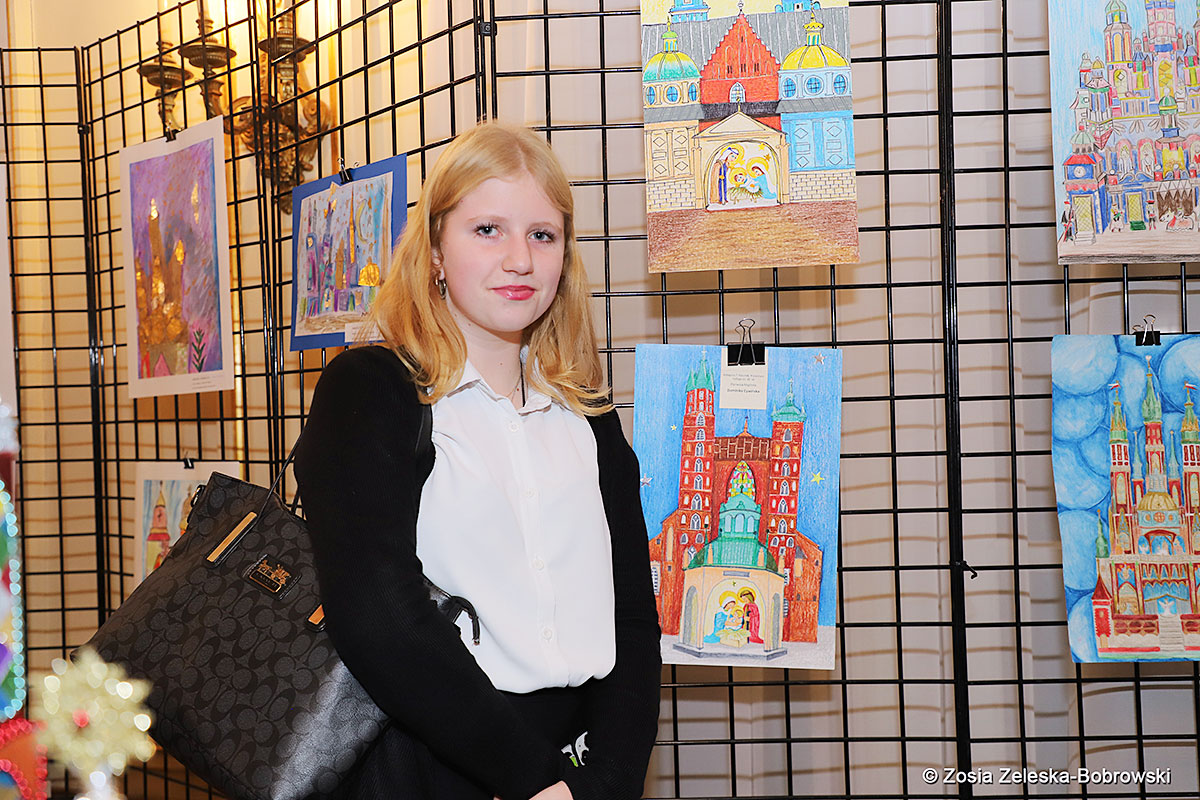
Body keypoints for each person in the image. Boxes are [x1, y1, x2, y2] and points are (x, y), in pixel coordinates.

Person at [293, 121, 661, 800]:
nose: (520, 259)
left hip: (577, 769)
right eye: (487, 229)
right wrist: (534, 782)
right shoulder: (372, 392)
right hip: (429, 767)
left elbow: (633, 618)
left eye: (542, 234)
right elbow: (377, 615)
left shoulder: (589, 413)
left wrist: (605, 782)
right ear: (435, 249)